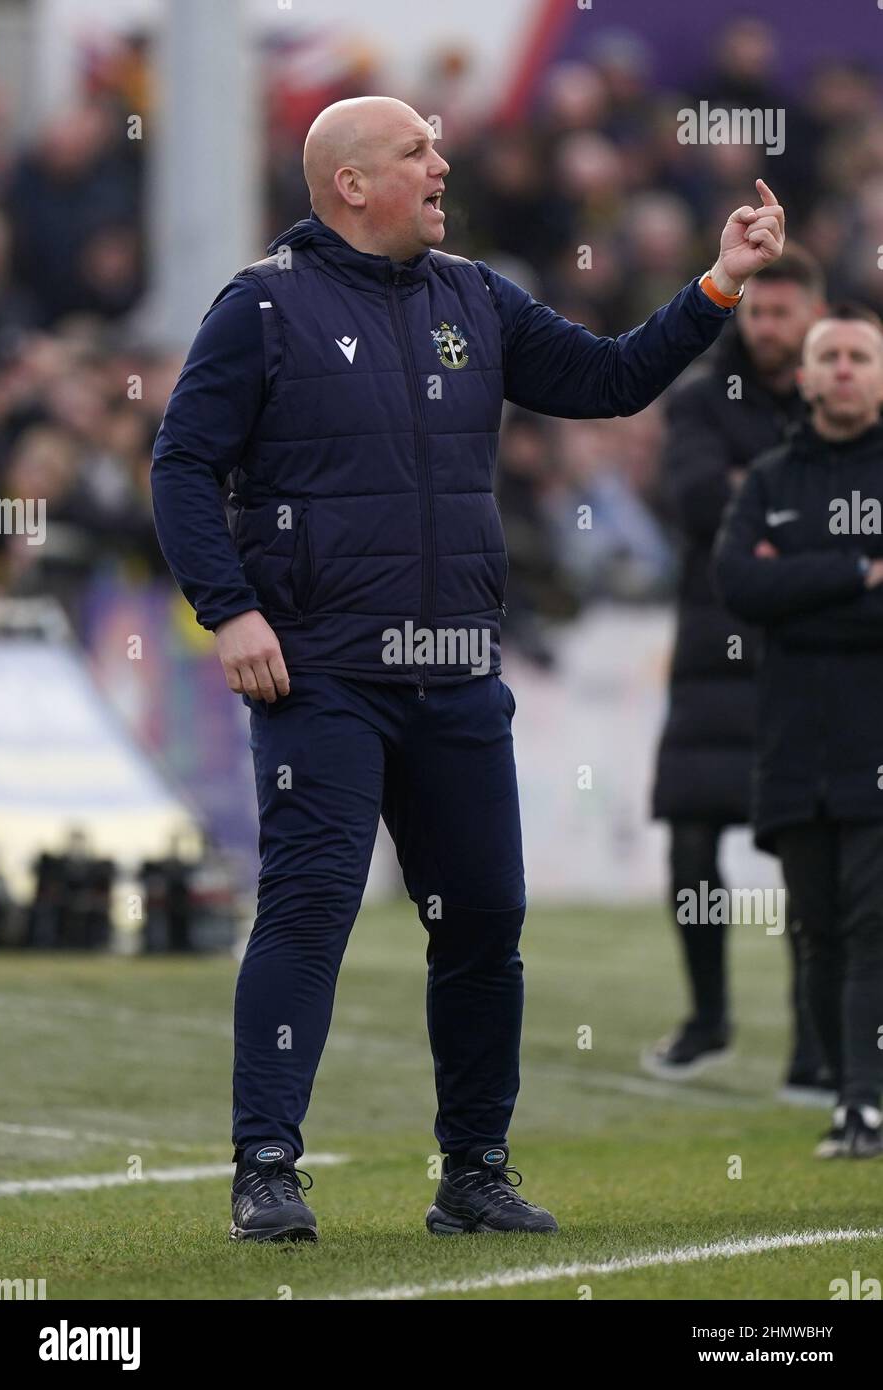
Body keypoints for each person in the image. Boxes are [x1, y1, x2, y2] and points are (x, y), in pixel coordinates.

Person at [151, 95, 785, 1242]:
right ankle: (265, 1166)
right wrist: (231, 611)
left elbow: (609, 380)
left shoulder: (475, 296)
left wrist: (718, 286)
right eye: (417, 151)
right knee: (309, 911)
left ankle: (475, 1172)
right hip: (322, 672)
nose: (443, 164)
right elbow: (182, 464)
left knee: (487, 917)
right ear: (351, 182)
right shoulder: (261, 306)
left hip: (456, 669)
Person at [647, 247, 831, 1098]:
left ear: (814, 315)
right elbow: (695, 504)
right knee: (691, 840)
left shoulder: (845, 398)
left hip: (811, 646)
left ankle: (814, 1040)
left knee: (811, 848)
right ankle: (707, 1015)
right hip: (711, 644)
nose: (764, 326)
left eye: (781, 312)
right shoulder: (698, 396)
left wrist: (758, 506)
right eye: (755, 311)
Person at [714, 305, 883, 1158]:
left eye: (860, 356)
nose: (845, 369)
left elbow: (774, 594)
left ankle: (863, 1105)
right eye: (832, 357)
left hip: (876, 743)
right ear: (808, 377)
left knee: (869, 923)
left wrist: (800, 591)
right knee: (814, 928)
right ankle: (847, 1090)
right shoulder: (772, 478)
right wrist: (857, 573)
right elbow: (737, 584)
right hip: (793, 745)